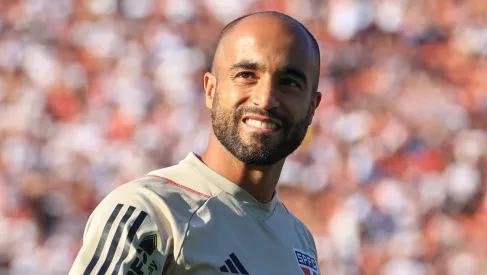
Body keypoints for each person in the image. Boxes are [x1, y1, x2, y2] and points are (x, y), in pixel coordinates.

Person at [69, 11, 322, 275]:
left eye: (289, 83)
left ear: (312, 107)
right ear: (211, 91)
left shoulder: (300, 241)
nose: (266, 98)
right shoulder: (151, 210)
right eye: (247, 75)